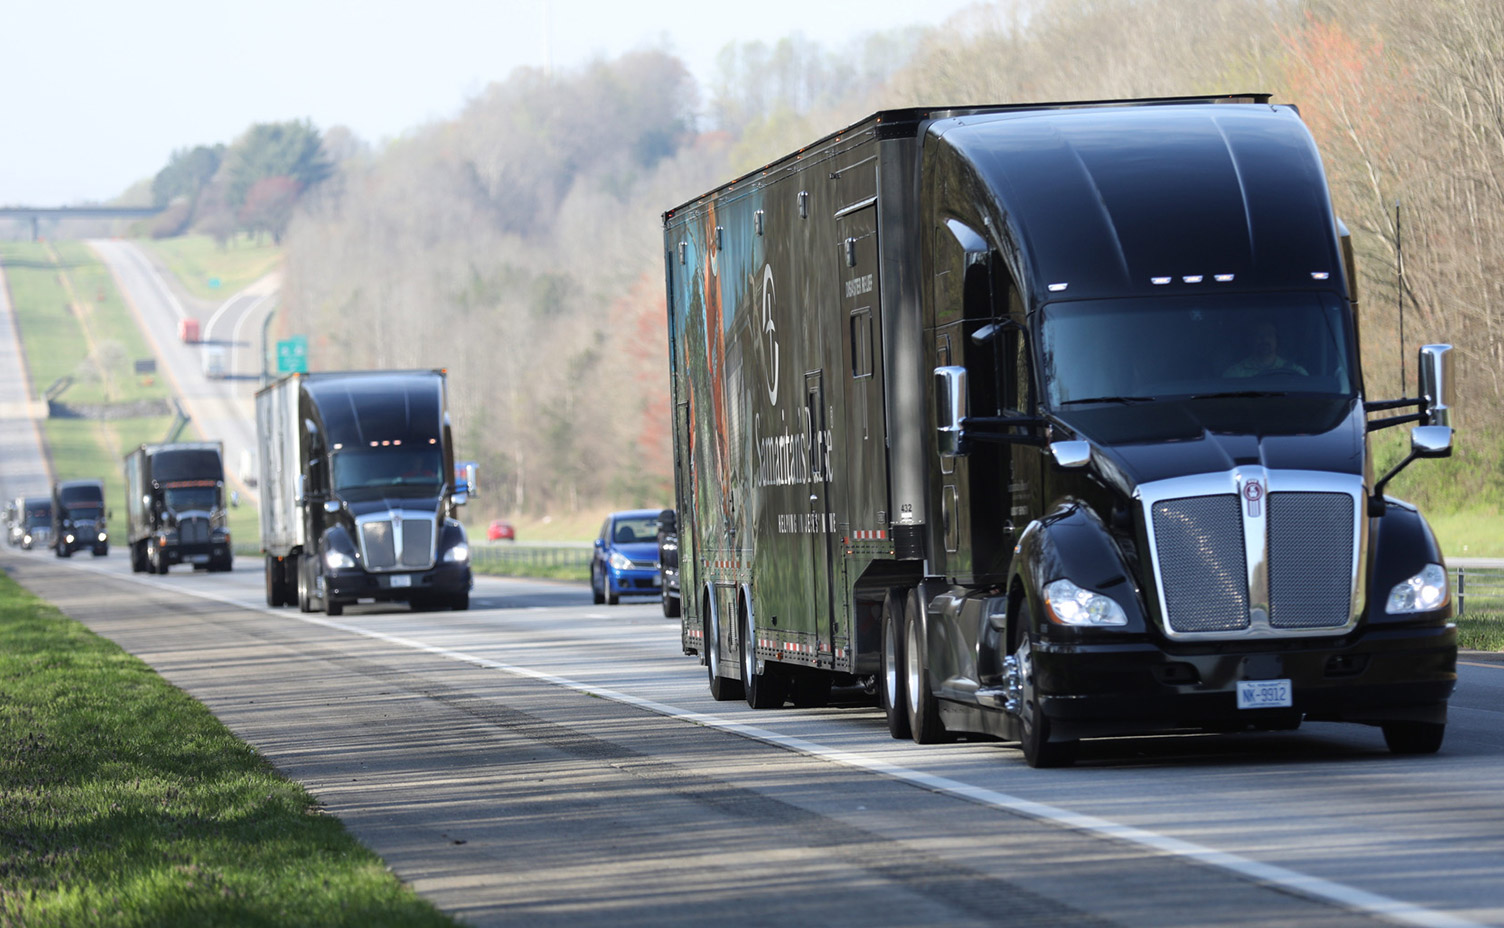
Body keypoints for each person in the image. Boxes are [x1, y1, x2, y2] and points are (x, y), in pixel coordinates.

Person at [1224, 321, 1308, 377]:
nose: (1265, 339)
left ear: (1277, 340)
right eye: (1259, 335)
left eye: (1269, 335)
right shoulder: (1234, 374)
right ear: (1250, 340)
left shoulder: (1296, 373)